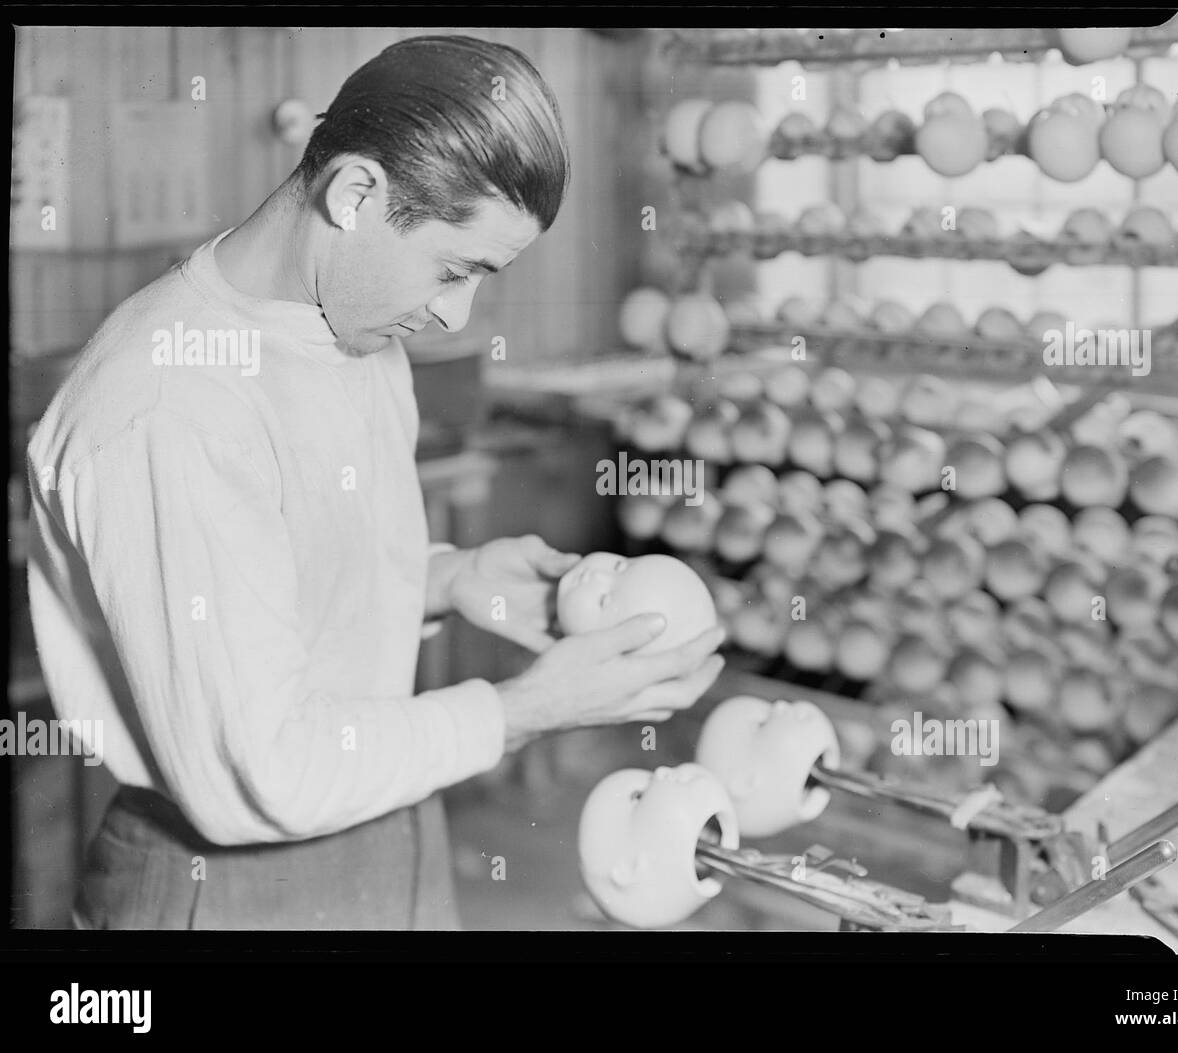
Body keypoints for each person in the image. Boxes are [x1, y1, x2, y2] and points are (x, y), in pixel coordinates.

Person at [26, 34, 725, 930]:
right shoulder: (166, 409)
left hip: (389, 814)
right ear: (355, 194)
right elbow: (262, 772)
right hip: (229, 875)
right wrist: (520, 711)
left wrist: (445, 578)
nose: (455, 312)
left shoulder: (354, 327)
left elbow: (281, 577)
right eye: (454, 268)